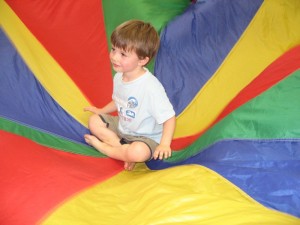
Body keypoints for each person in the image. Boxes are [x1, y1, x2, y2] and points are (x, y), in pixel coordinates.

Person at [84, 20, 176, 171]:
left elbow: (169, 118)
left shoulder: (150, 87)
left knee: (138, 152)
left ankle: (105, 148)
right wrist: (101, 111)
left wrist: (164, 144)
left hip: (146, 137)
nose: (114, 57)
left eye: (123, 54)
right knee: (93, 121)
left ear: (142, 60)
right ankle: (122, 150)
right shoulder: (119, 76)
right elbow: (119, 101)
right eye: (113, 49)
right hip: (123, 128)